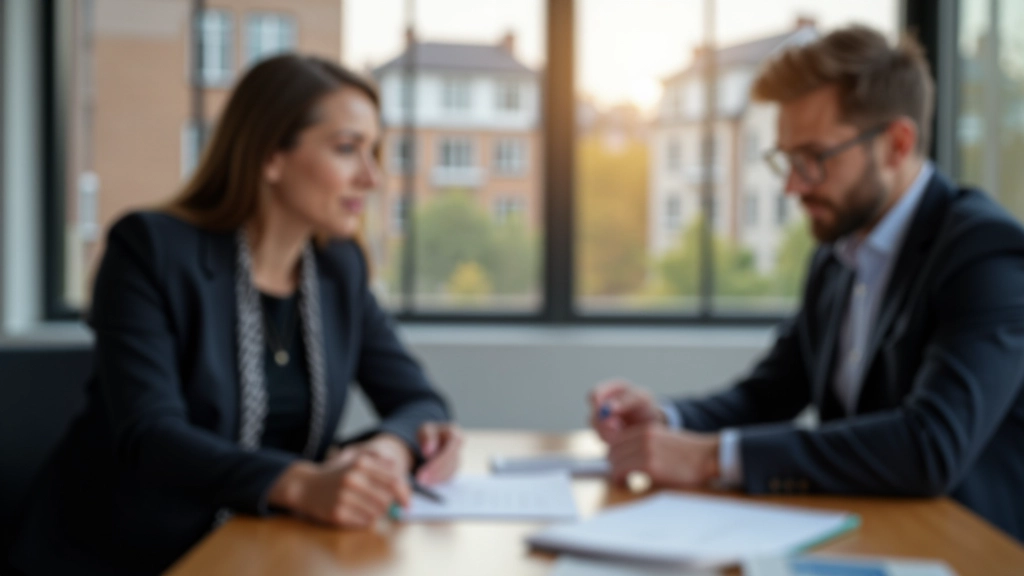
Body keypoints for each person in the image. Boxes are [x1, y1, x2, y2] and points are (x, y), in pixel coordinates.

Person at [7, 54, 463, 575]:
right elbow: (152, 437)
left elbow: (419, 400)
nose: (372, 177)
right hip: (123, 556)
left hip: (260, 547)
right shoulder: (150, 250)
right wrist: (300, 483)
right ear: (270, 155)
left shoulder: (338, 270)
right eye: (346, 149)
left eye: (373, 151)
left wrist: (389, 450)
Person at [589, 25, 1024, 541]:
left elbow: (929, 446)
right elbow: (771, 393)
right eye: (787, 159)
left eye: (813, 158)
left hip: (966, 549)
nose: (793, 186)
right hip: (866, 536)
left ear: (896, 144)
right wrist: (668, 418)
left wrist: (711, 459)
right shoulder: (838, 253)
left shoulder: (987, 253)